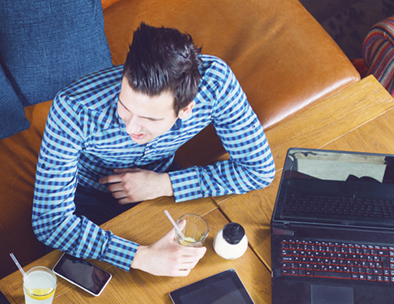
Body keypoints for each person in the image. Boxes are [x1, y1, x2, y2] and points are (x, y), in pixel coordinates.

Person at [32, 24, 275, 278]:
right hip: (85, 198)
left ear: (186, 109)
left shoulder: (216, 84)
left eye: (150, 119)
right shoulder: (73, 109)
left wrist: (164, 184)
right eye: (124, 107)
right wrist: (140, 256)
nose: (130, 127)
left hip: (162, 186)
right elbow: (51, 222)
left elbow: (258, 169)